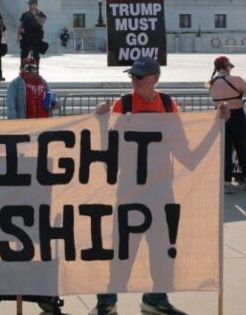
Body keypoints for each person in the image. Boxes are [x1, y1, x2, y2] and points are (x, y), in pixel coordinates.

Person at [91, 58, 188, 315]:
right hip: (130, 189)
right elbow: (109, 148)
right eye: (132, 76)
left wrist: (217, 124)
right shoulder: (123, 104)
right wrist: (101, 122)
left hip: (161, 188)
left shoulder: (168, 104)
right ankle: (107, 301)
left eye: (139, 77)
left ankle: (156, 298)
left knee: (162, 248)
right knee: (122, 246)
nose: (133, 81)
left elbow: (182, 149)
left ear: (154, 78)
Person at [3, 58, 63, 312]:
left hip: (43, 136)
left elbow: (53, 103)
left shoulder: (43, 83)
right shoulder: (15, 86)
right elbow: (12, 110)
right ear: (21, 70)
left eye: (34, 68)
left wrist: (54, 103)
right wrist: (20, 131)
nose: (31, 72)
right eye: (28, 68)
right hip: (26, 136)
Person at [209, 55, 246, 194]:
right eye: (230, 66)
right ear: (226, 66)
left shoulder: (211, 83)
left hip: (221, 117)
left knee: (225, 152)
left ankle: (226, 183)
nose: (231, 69)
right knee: (241, 149)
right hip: (237, 116)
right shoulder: (237, 79)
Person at [17, 0, 48, 68]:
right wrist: (18, 37)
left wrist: (35, 15)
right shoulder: (25, 14)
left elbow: (42, 23)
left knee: (36, 54)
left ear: (36, 5)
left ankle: (36, 68)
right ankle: (22, 68)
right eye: (29, 4)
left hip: (36, 37)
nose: (30, 6)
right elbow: (20, 26)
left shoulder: (41, 14)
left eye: (31, 4)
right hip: (26, 36)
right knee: (24, 53)